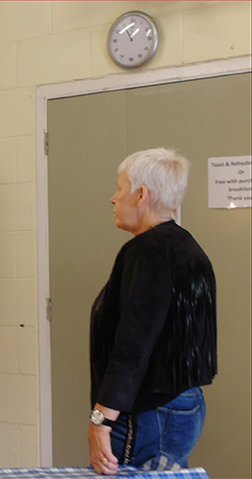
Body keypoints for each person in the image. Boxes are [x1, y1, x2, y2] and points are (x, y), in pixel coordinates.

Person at [88, 148, 217, 474]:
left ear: (141, 194)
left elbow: (133, 345)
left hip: (148, 413)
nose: (113, 199)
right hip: (183, 404)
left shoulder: (148, 252)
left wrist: (101, 420)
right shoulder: (186, 246)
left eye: (120, 188)